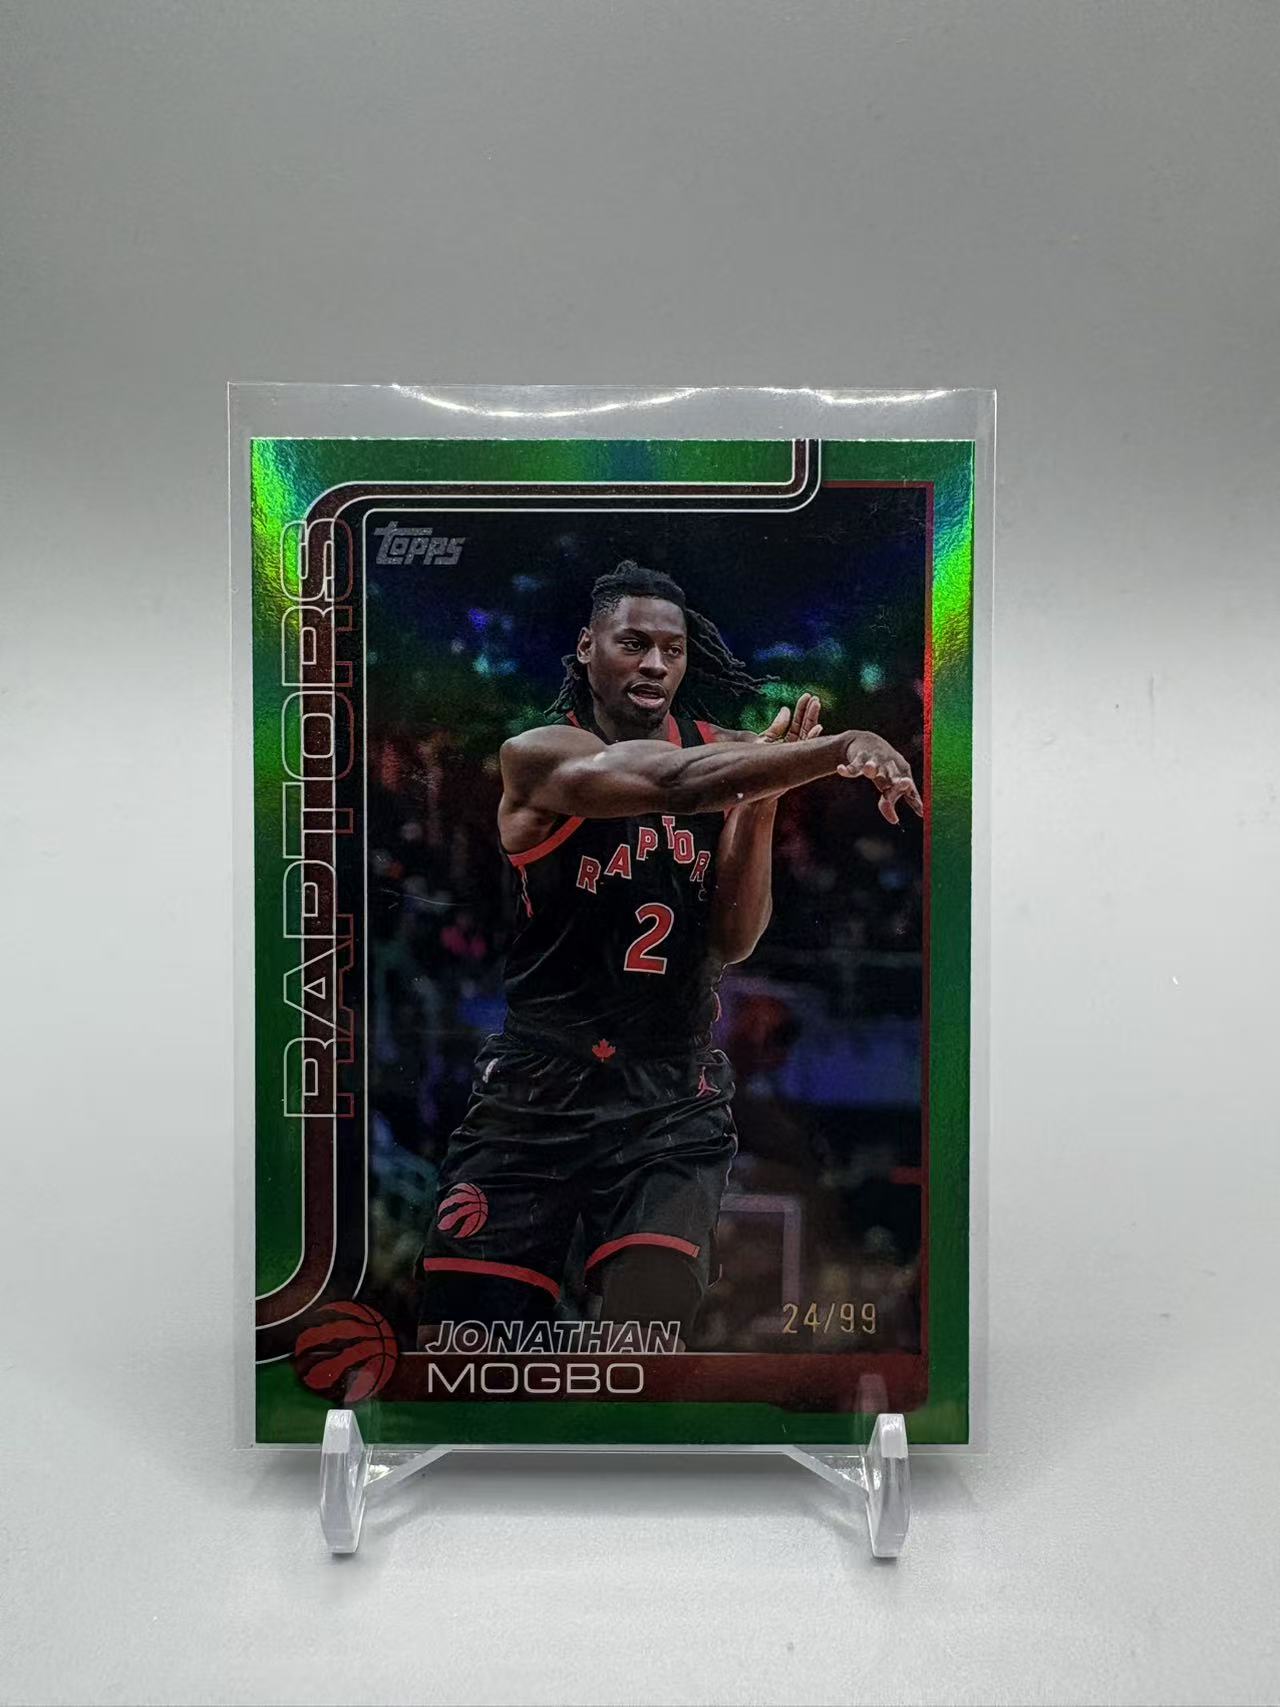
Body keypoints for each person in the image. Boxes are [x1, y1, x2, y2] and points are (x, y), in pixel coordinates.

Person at [418, 561, 921, 1341]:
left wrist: (762, 801)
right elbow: (678, 783)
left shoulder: (724, 758)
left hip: (668, 1095)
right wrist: (842, 747)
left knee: (644, 1340)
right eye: (634, 643)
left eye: (673, 649)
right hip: (538, 1084)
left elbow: (732, 939)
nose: (656, 663)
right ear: (587, 647)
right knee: (466, 1345)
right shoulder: (540, 753)